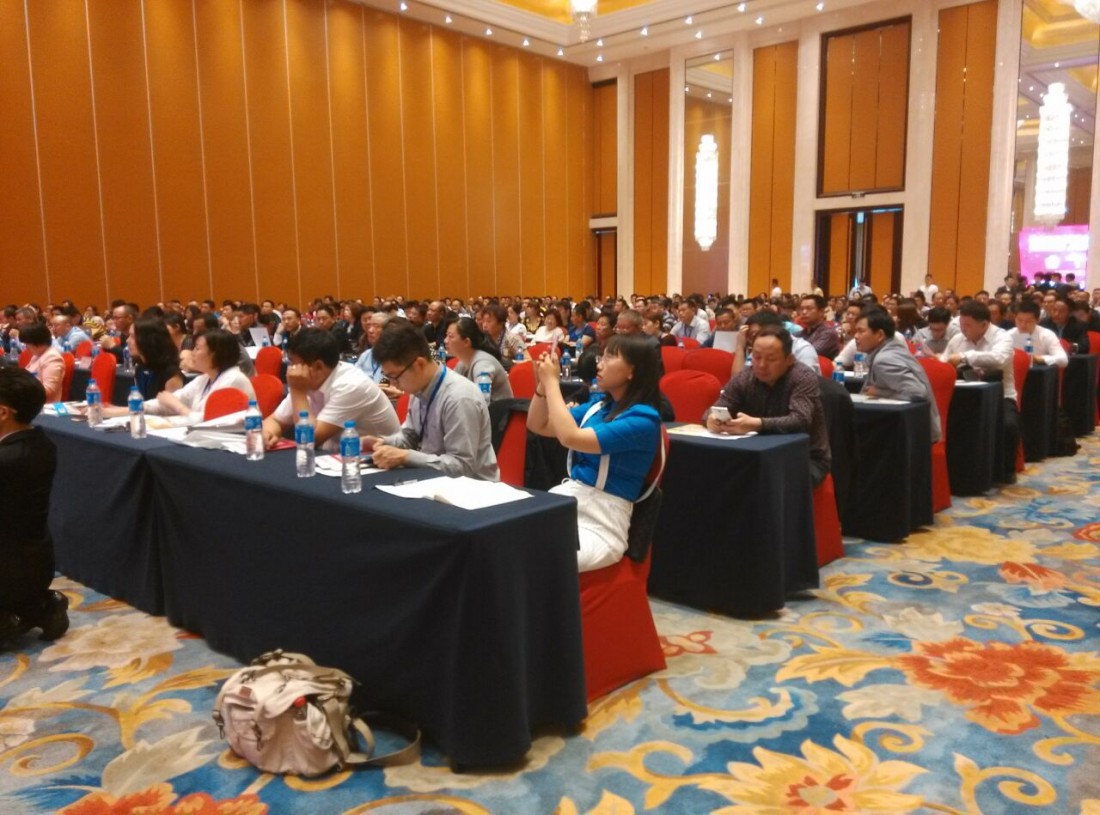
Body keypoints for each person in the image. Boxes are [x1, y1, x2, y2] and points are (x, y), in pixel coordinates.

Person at [527, 334, 661, 572]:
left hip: (603, 524)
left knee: (533, 554)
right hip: (568, 501)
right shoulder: (599, 406)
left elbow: (570, 437)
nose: (599, 364)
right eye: (602, 356)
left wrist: (553, 383)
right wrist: (542, 386)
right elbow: (539, 425)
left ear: (632, 371)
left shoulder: (643, 420)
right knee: (504, 536)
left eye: (609, 358)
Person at [363, 321, 498, 479]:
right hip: (430, 479)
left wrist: (406, 457)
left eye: (395, 376)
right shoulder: (418, 387)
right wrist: (382, 442)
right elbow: (410, 437)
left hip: (471, 488)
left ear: (419, 364)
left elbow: (461, 467)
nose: (393, 384)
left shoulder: (459, 397)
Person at [706, 326, 831, 486]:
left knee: (762, 482)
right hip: (756, 454)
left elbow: (800, 420)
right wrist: (712, 418)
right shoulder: (746, 376)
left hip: (804, 457)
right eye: (757, 357)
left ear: (789, 359)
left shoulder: (802, 378)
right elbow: (720, 405)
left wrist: (758, 424)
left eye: (771, 359)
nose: (762, 365)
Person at [0, 367, 69, 646]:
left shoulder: (6, 458)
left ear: (3, 412)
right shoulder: (43, 444)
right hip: (39, 562)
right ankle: (41, 606)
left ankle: (10, 621)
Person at [262, 328, 399, 451]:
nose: (290, 369)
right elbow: (275, 420)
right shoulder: (307, 380)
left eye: (293, 363)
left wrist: (297, 392)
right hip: (336, 456)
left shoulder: (351, 385)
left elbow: (308, 439)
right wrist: (267, 434)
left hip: (379, 460)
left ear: (318, 366)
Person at [941, 300, 1019, 484]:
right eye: (961, 323)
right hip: (962, 396)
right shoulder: (957, 339)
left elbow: (998, 359)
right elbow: (944, 362)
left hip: (1001, 396)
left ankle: (1005, 471)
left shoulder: (1003, 337)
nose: (963, 329)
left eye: (968, 325)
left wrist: (965, 357)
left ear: (984, 324)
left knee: (1008, 425)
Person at [854, 309, 941, 442]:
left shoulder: (885, 359)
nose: (856, 336)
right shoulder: (890, 349)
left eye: (861, 331)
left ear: (879, 335)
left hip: (912, 435)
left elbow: (918, 393)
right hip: (910, 429)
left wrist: (878, 392)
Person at [139, 329, 255, 424]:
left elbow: (208, 421)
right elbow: (172, 400)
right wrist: (137, 407)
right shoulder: (204, 379)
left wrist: (177, 406)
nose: (192, 353)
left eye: (197, 348)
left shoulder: (234, 379)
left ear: (216, 353)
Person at [731, 311, 820, 377]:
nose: (762, 365)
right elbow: (737, 382)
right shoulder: (760, 349)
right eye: (752, 336)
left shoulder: (803, 349)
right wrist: (740, 346)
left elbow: (807, 384)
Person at [445, 317, 513, 402]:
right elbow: (449, 389)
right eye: (446, 335)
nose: (445, 340)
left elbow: (482, 402)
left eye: (450, 336)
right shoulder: (463, 362)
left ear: (466, 342)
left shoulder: (483, 364)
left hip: (497, 410)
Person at [127, 318, 185, 399]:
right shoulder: (140, 368)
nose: (127, 341)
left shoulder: (171, 375)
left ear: (148, 340)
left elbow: (171, 406)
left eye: (133, 337)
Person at [1008, 300, 1067, 368]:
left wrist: (1036, 359)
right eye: (1019, 320)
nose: (1023, 325)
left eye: (1028, 321)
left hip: (1039, 373)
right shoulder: (1009, 335)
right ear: (1014, 318)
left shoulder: (1046, 335)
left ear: (1038, 320)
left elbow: (1063, 360)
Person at [20, 323, 64, 403]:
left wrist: (21, 390)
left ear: (37, 341)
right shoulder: (37, 355)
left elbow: (49, 391)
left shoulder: (52, 358)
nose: (26, 348)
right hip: (30, 401)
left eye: (27, 344)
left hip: (43, 405)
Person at [797, 295, 840, 359]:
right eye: (802, 309)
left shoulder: (828, 333)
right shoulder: (799, 334)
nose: (804, 312)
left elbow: (808, 355)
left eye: (809, 308)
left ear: (821, 311)